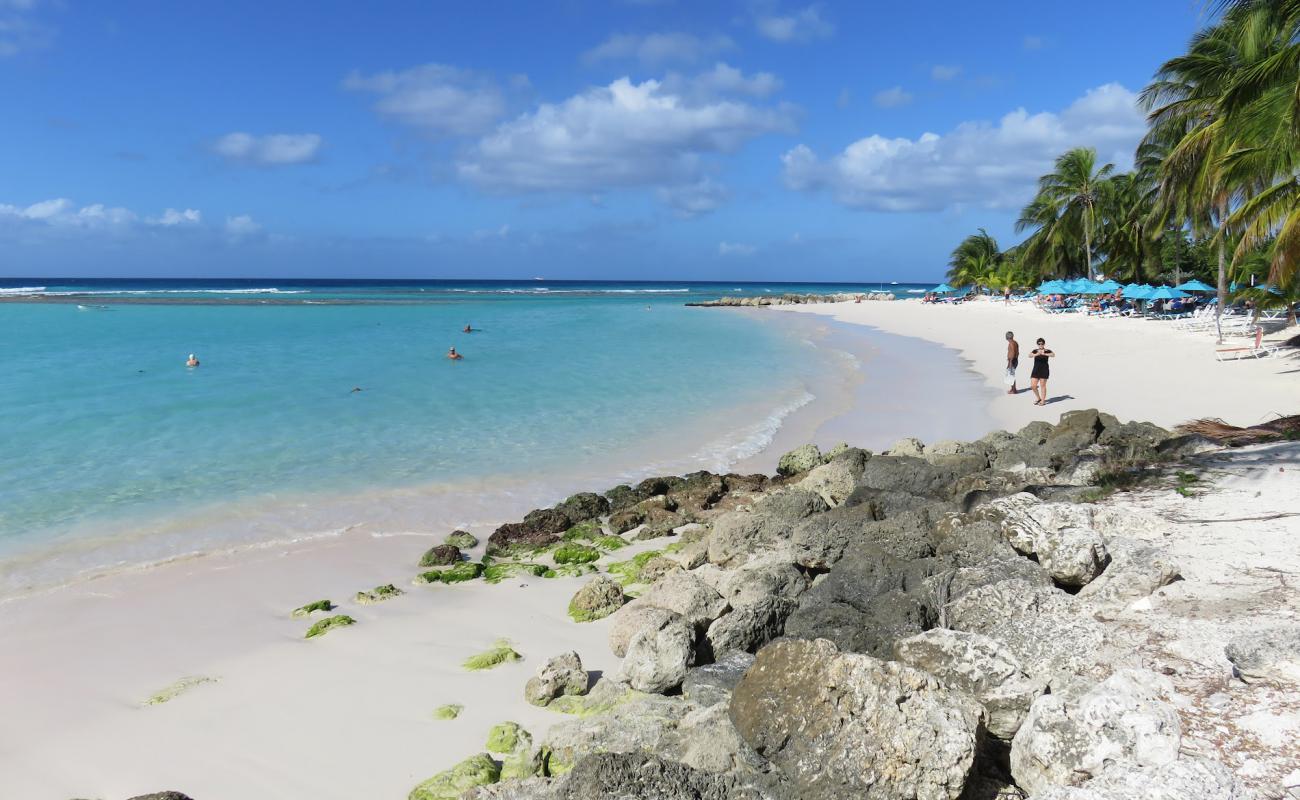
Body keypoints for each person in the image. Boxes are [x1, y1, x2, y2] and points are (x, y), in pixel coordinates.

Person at [1029, 338, 1055, 406]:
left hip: (1044, 370)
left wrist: (1045, 354)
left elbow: (1053, 355)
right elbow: (1030, 355)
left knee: (1042, 386)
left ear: (1044, 344)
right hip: (1035, 370)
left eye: (1042, 343)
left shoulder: (1047, 350)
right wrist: (1036, 354)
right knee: (1033, 386)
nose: (1040, 345)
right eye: (1039, 343)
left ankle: (1043, 401)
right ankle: (1038, 398)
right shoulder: (1035, 350)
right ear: (1037, 344)